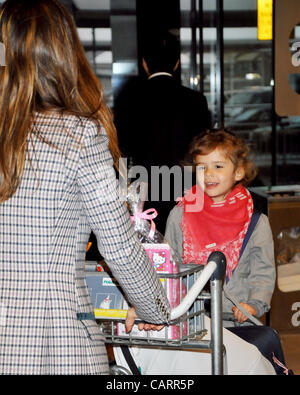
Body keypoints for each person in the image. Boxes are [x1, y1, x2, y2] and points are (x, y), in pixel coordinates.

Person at [0, 0, 170, 375]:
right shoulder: (79, 134)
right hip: (53, 336)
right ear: (64, 52)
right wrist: (155, 307)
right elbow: (118, 242)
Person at [165, 129, 276, 324]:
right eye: (202, 167)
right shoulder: (180, 215)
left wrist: (254, 303)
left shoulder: (255, 223)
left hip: (236, 321)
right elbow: (169, 264)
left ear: (239, 172)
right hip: (191, 318)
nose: (208, 174)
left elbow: (262, 271)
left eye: (218, 166)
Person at [114, 32, 211, 233]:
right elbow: (205, 150)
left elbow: (120, 152)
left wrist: (122, 191)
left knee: (150, 248)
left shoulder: (128, 100)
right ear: (176, 63)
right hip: (186, 188)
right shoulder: (195, 100)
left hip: (144, 191)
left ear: (144, 63)